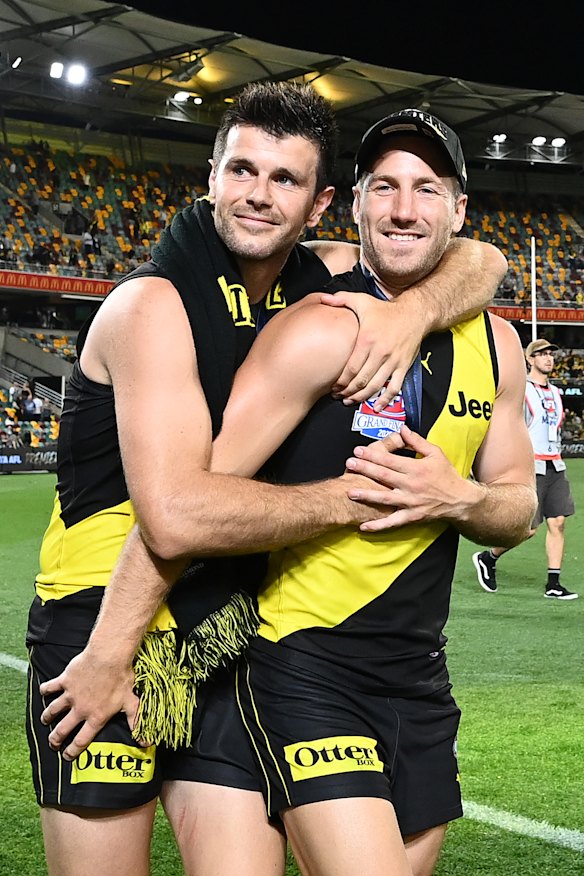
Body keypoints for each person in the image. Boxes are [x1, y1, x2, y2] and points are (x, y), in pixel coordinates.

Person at [32, 88, 507, 876]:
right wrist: (363, 497)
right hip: (102, 628)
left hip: (218, 633)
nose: (258, 193)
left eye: (285, 179)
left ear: (320, 204)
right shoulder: (153, 304)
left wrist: (411, 312)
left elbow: (480, 259)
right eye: (242, 170)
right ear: (210, 178)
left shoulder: (307, 276)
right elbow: (176, 519)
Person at [473, 337, 577, 599]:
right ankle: (489, 557)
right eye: (542, 354)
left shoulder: (555, 392)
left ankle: (553, 583)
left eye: (551, 354)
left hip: (555, 461)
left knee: (559, 522)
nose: (548, 358)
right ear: (530, 359)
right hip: (532, 464)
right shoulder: (523, 390)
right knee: (528, 529)